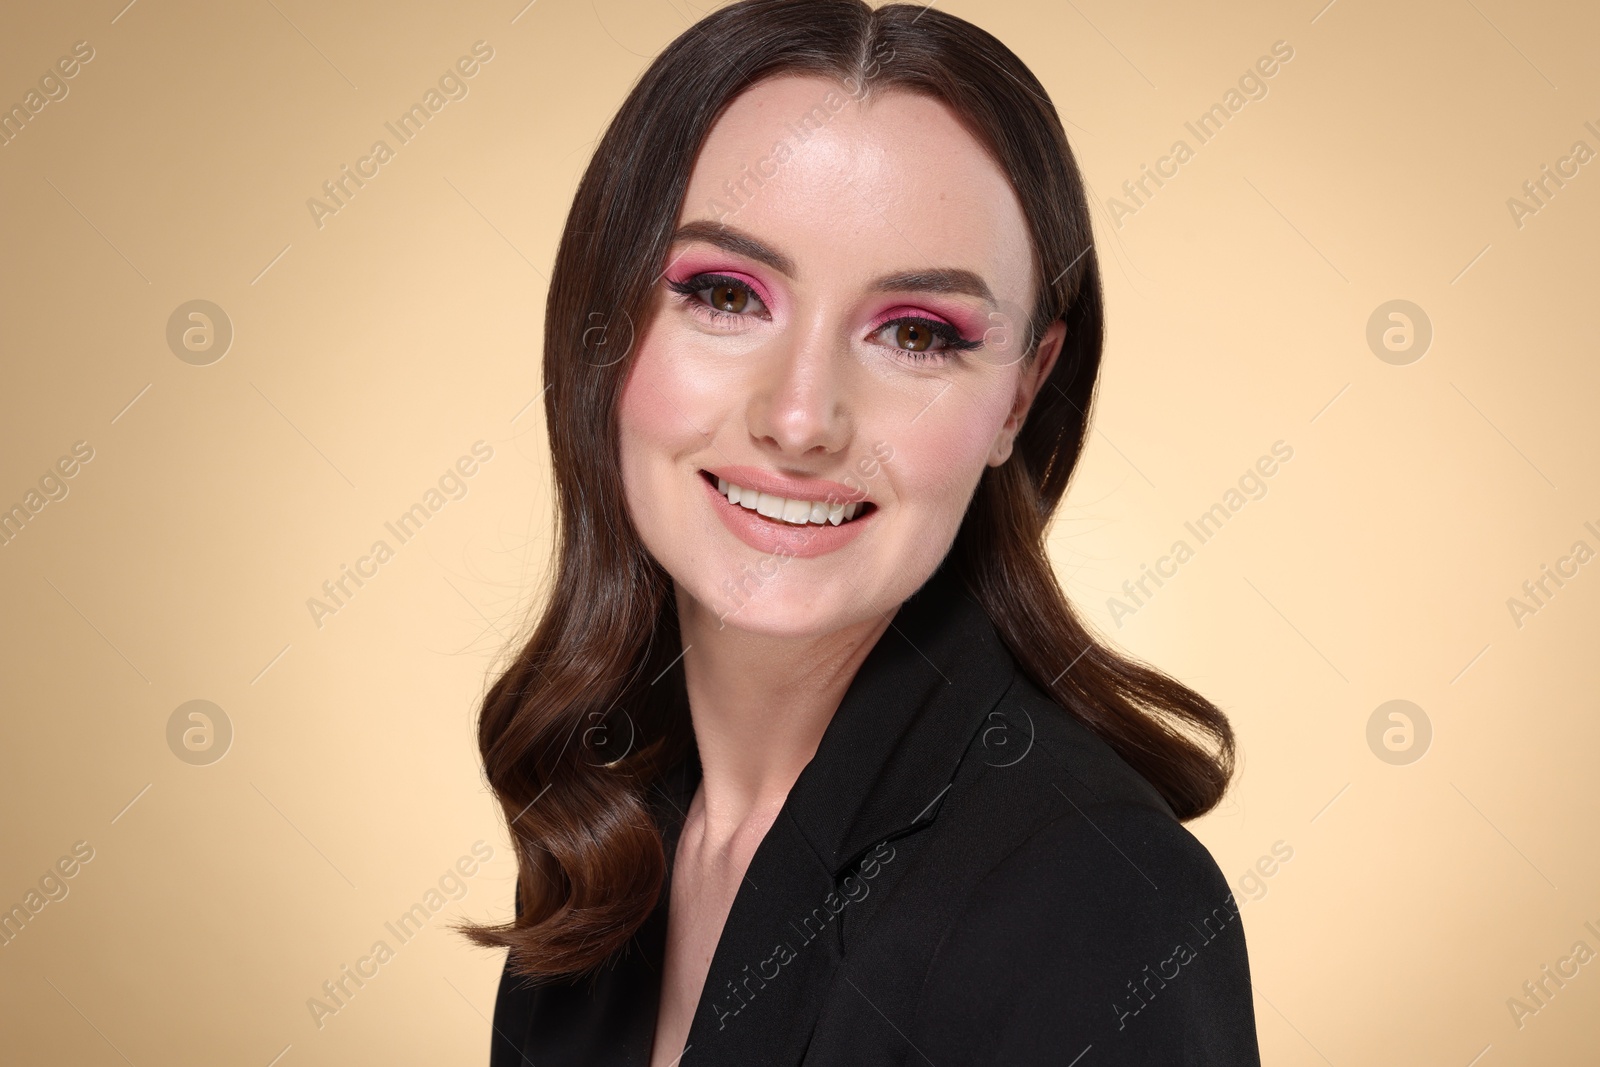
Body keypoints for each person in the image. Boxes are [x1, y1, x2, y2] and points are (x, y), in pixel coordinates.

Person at [459, 1, 1261, 1063]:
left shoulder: (1096, 899)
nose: (799, 418)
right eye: (725, 294)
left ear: (1021, 394)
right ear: (600, 326)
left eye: (917, 333)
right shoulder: (607, 833)